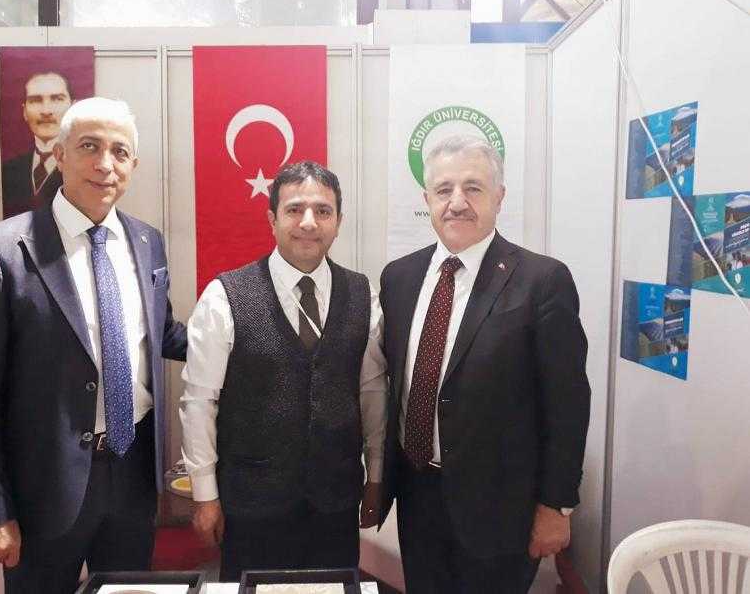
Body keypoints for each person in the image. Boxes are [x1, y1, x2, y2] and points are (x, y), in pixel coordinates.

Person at [0, 97, 187, 594]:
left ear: (134, 165)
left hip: (132, 475)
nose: (105, 164)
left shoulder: (148, 242)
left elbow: (161, 333)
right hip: (43, 487)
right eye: (89, 147)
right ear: (60, 154)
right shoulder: (0, 251)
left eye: (119, 152)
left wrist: (242, 335)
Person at [378, 135, 591, 593]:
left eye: (473, 188)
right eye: (444, 189)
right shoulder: (398, 277)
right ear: (427, 200)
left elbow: (568, 404)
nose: (457, 202)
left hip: (502, 511)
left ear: (499, 196)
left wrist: (556, 506)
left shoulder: (542, 281)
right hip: (417, 497)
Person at [180, 161, 387, 581]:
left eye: (323, 211)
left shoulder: (363, 295)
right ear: (272, 219)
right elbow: (200, 401)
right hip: (251, 505)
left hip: (335, 504)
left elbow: (371, 392)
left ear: (338, 222)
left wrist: (377, 476)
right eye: (294, 209)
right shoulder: (224, 296)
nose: (309, 222)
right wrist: (205, 495)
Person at [1, 71, 73, 218]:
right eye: (35, 100)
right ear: (24, 112)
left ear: (73, 108)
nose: (46, 111)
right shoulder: (8, 170)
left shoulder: (83, 167)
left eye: (57, 99)